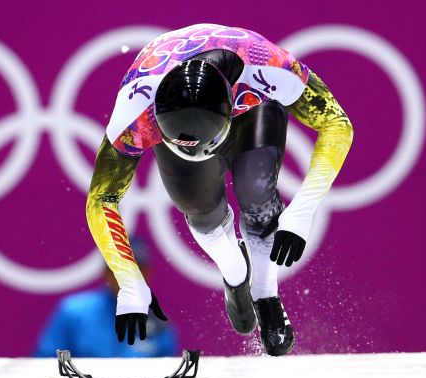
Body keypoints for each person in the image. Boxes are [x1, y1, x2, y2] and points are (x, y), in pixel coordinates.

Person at [86, 23, 353, 356]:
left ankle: (265, 293)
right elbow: (101, 200)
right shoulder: (134, 112)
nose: (198, 152)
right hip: (181, 109)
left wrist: (302, 210)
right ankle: (234, 272)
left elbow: (337, 124)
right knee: (200, 210)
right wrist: (129, 278)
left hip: (253, 110)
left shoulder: (270, 68)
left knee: (256, 192)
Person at [33, 238, 179, 357]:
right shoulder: (73, 312)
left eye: (137, 269)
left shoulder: (160, 325)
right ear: (106, 272)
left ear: (148, 273)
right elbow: (45, 365)